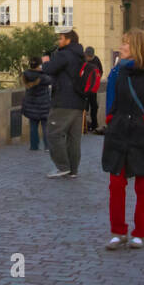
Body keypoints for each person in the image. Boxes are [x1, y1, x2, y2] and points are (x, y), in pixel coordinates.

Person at [101, 29, 144, 250]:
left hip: (142, 135)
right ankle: (118, 231)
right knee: (115, 184)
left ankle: (140, 232)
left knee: (143, 186)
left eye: (125, 44)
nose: (121, 47)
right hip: (119, 133)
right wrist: (111, 117)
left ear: (136, 46)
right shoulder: (120, 71)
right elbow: (114, 97)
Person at [40, 27, 86, 178]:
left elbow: (48, 69)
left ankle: (62, 167)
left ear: (68, 39)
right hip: (78, 102)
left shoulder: (64, 54)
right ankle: (73, 170)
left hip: (63, 101)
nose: (58, 41)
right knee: (74, 138)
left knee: (53, 133)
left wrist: (45, 61)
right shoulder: (80, 55)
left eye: (60, 38)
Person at [21, 56, 52, 150]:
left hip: (31, 105)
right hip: (43, 106)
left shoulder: (25, 75)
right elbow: (52, 80)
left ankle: (34, 146)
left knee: (33, 126)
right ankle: (47, 146)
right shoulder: (43, 76)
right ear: (39, 65)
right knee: (45, 127)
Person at [83, 47, 105, 133]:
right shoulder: (83, 60)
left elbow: (100, 71)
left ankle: (94, 124)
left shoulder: (96, 60)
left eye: (90, 57)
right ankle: (84, 125)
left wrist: (97, 80)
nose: (89, 59)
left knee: (94, 107)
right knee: (85, 107)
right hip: (85, 88)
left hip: (93, 88)